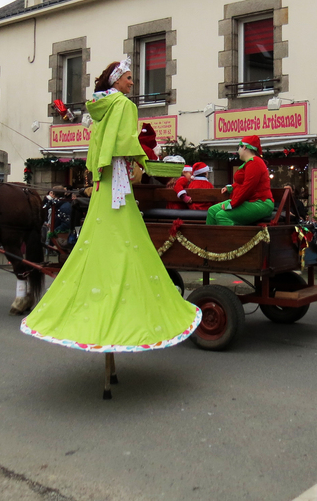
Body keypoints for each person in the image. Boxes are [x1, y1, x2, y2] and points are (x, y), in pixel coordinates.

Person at [21, 58, 201, 352]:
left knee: (98, 235)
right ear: (117, 81)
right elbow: (124, 142)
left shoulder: (100, 108)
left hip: (105, 180)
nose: (132, 83)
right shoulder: (124, 106)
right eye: (129, 78)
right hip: (118, 179)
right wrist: (146, 161)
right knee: (127, 237)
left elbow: (100, 142)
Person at [206, 136, 274, 225]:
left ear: (244, 147)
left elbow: (248, 187)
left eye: (238, 147)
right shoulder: (249, 163)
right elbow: (243, 183)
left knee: (222, 215)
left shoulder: (255, 162)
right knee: (212, 211)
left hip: (260, 203)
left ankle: (232, 238)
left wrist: (232, 204)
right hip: (250, 201)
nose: (238, 151)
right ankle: (209, 238)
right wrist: (231, 187)